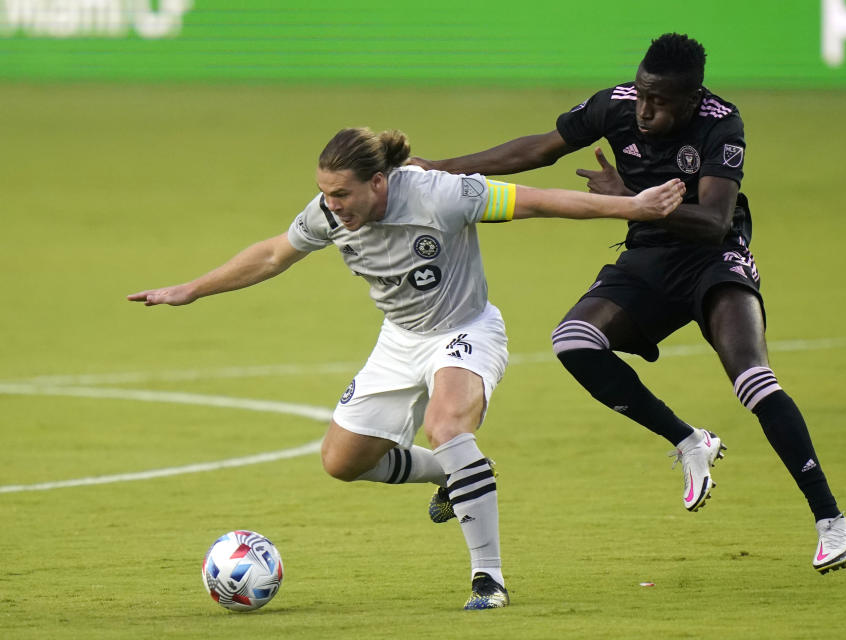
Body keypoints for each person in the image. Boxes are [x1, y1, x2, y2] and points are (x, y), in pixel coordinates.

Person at [127, 127, 685, 609]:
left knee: (446, 428)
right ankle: (452, 475)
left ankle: (487, 577)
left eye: (342, 193)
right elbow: (273, 253)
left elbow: (538, 200)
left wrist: (634, 207)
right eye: (325, 193)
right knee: (342, 461)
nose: (333, 205)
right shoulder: (328, 215)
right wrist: (190, 290)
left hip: (465, 330)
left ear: (379, 182)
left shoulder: (442, 195)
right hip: (399, 340)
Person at [411, 33, 846, 574]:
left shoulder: (722, 124)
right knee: (574, 341)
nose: (644, 109)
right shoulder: (618, 105)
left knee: (752, 378)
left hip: (714, 260)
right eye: (643, 94)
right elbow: (538, 148)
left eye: (660, 101)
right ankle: (689, 440)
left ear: (691, 99)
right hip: (648, 259)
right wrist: (444, 169)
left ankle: (831, 521)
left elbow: (714, 221)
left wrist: (627, 200)